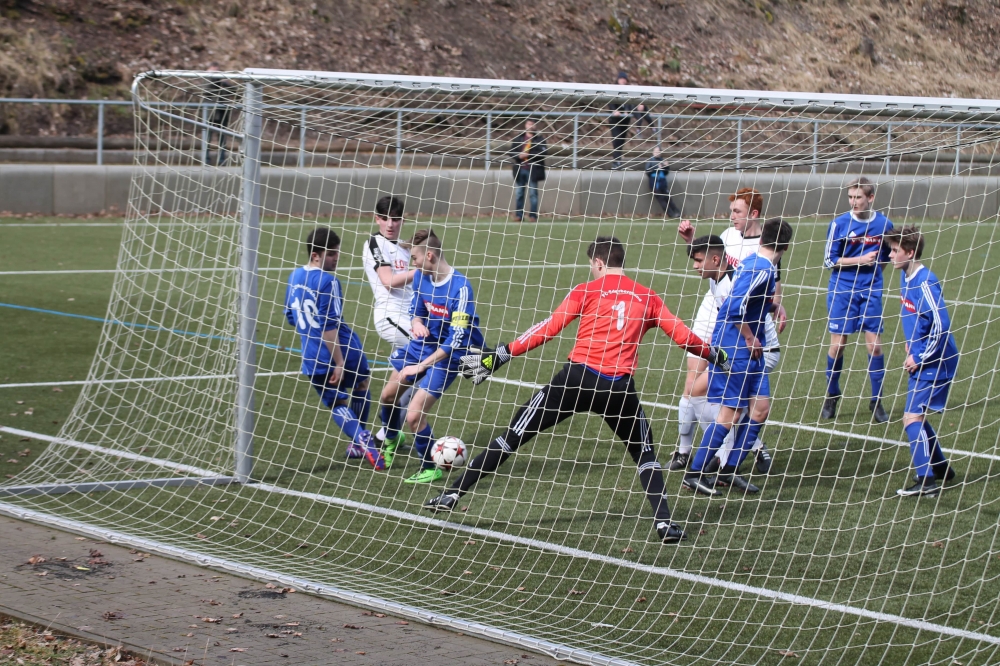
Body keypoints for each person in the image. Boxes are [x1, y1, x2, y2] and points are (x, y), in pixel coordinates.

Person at [423, 236, 732, 545]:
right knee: (645, 452)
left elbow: (549, 328)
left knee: (512, 436)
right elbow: (683, 336)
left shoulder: (587, 289)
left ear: (598, 262)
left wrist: (502, 354)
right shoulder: (647, 296)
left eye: (592, 265)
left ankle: (452, 494)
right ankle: (664, 523)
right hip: (618, 388)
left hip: (576, 379)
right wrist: (714, 354)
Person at [674, 188, 785, 476]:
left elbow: (741, 303)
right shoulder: (724, 250)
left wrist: (771, 308)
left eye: (737, 211)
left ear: (753, 214)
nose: (731, 215)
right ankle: (711, 458)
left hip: (749, 341)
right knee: (718, 397)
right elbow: (711, 256)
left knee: (732, 405)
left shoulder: (759, 259)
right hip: (732, 332)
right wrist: (693, 244)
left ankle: (720, 459)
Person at [378, 229, 486, 484]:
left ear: (429, 256)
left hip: (447, 355)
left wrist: (421, 366)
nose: (412, 264)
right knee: (387, 396)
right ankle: (391, 438)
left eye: (414, 258)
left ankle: (430, 466)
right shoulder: (420, 277)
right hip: (423, 345)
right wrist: (417, 324)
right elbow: (416, 311)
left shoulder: (461, 288)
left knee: (414, 415)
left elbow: (455, 340)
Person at [284, 228, 385, 470]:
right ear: (315, 255)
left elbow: (290, 315)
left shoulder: (294, 276)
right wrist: (339, 362)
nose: (336, 258)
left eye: (337, 252)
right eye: (331, 254)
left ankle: (358, 439)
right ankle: (361, 440)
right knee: (361, 384)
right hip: (343, 349)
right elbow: (329, 326)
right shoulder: (328, 281)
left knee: (337, 403)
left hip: (312, 356)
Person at [884, 226, 959, 496]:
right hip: (923, 356)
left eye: (895, 250)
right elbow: (919, 319)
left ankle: (926, 482)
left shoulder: (925, 282)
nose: (890, 255)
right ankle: (940, 467)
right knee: (916, 415)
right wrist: (912, 343)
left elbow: (940, 325)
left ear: (910, 252)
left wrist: (920, 355)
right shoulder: (905, 276)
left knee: (911, 418)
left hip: (936, 360)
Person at [821, 177, 894, 423]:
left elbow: (887, 256)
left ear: (870, 198)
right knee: (838, 345)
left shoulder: (884, 224)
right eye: (850, 197)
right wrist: (859, 261)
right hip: (842, 289)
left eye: (858, 197)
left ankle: (877, 401)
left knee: (875, 347)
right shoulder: (839, 224)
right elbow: (829, 260)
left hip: (870, 289)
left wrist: (873, 275)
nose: (853, 202)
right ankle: (832, 394)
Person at [361, 194, 416, 467]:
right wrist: (421, 270)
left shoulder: (404, 248)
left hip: (411, 319)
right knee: (428, 356)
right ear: (377, 219)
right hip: (391, 317)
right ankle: (388, 432)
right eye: (385, 218)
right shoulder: (375, 243)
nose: (390, 224)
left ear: (403, 220)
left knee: (412, 376)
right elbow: (388, 281)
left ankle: (385, 435)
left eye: (395, 219)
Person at [508, 119, 547, 222]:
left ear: (535, 126)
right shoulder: (519, 138)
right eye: (529, 124)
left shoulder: (539, 139)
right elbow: (511, 151)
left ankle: (533, 216)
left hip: (533, 170)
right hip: (520, 169)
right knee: (519, 193)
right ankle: (519, 215)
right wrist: (519, 155)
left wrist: (528, 155)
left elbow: (543, 152)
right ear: (525, 125)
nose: (530, 126)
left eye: (532, 124)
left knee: (533, 194)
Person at [205, 63, 235, 166]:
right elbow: (206, 90)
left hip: (222, 112)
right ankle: (206, 159)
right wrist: (215, 79)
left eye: (217, 72)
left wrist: (225, 82)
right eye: (213, 72)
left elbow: (234, 90)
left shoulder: (223, 82)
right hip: (209, 113)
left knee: (222, 137)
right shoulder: (205, 80)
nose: (215, 74)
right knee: (207, 137)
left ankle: (221, 159)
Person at [644, 146, 681, 217]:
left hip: (663, 183)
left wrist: (666, 166)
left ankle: (677, 212)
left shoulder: (662, 160)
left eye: (658, 151)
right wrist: (657, 168)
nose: (656, 153)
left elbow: (666, 172)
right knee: (661, 199)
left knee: (668, 198)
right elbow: (647, 171)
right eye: (655, 151)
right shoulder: (650, 160)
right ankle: (671, 214)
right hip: (655, 183)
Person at [608, 71, 633, 169]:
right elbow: (610, 101)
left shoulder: (628, 90)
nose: (623, 81)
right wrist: (614, 110)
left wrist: (627, 111)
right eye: (621, 79)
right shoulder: (614, 89)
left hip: (625, 120)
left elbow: (631, 102)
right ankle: (616, 161)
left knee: (622, 139)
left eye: (624, 79)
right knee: (617, 138)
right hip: (615, 119)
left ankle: (618, 161)